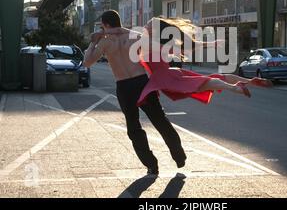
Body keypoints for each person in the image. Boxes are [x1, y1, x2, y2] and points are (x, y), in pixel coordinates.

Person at [83, 10, 186, 176]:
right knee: (159, 119)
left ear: (105, 24)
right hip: (141, 83)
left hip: (124, 87)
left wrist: (92, 43)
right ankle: (179, 155)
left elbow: (87, 63)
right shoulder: (134, 36)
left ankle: (152, 165)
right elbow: (159, 50)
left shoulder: (104, 42)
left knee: (134, 127)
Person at [105, 16, 273, 107]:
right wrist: (210, 43)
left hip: (165, 78)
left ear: (153, 30)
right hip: (170, 74)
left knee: (207, 81)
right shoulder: (161, 44)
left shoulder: (150, 44)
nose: (145, 27)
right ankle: (250, 81)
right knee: (212, 79)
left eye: (148, 25)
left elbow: (125, 34)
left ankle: (235, 88)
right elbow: (189, 46)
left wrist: (107, 34)